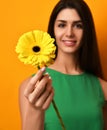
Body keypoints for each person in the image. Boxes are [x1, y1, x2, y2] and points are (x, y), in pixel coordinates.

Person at [19, 0, 107, 130]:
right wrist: (35, 110)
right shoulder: (31, 87)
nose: (69, 33)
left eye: (78, 26)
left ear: (87, 31)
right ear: (53, 29)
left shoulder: (103, 88)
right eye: (62, 25)